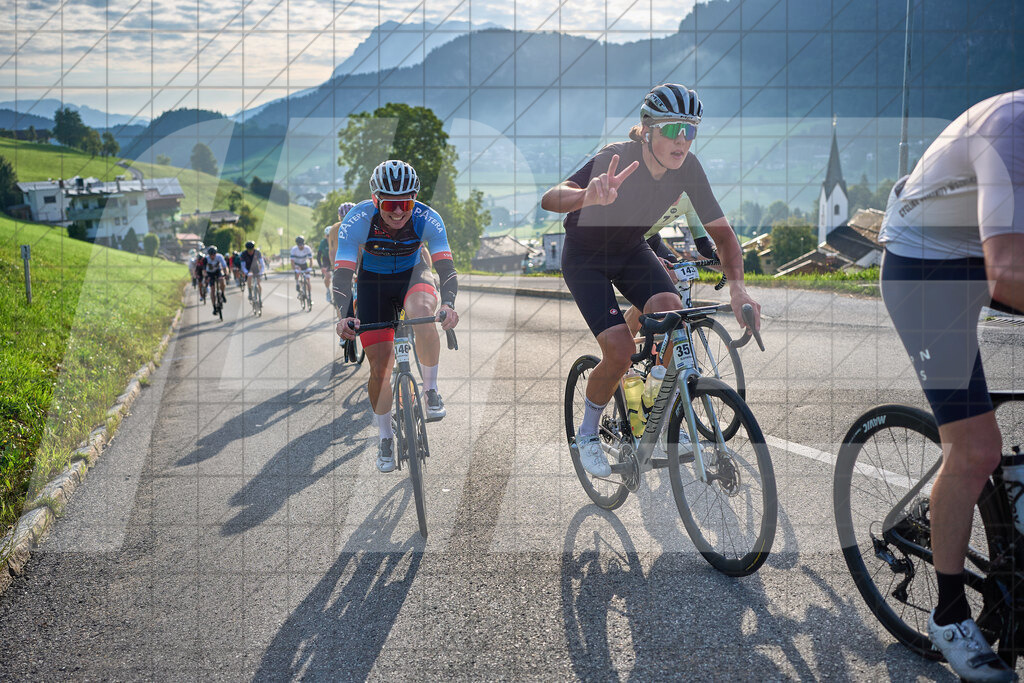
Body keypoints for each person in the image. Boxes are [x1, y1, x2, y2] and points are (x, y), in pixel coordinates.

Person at [540, 83, 759, 477]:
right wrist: (586, 196)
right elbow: (551, 198)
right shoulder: (616, 156)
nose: (683, 140)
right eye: (674, 129)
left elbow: (723, 236)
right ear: (648, 128)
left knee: (676, 312)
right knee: (620, 352)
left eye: (690, 131)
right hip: (585, 258)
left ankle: (655, 394)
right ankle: (587, 434)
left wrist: (740, 288)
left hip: (630, 250)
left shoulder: (688, 169)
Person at [878, 89, 1023, 683]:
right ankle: (950, 614)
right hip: (926, 267)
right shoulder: (1011, 125)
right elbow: (1008, 270)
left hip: (983, 253)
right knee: (976, 450)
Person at [334, 160, 460, 473]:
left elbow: (446, 267)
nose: (399, 212)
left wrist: (450, 304)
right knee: (380, 368)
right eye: (391, 204)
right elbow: (343, 274)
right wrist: (344, 315)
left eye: (406, 202)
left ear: (414, 199)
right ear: (376, 200)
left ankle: (430, 390)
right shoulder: (358, 219)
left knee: (421, 313)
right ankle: (385, 436)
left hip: (414, 274)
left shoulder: (427, 217)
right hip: (374, 285)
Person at [203, 245, 228, 309]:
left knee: (222, 280)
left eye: (214, 254)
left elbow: (224, 266)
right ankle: (214, 306)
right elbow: (204, 270)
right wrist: (206, 277)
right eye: (211, 255)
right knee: (212, 290)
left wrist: (226, 273)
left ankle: (222, 293)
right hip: (210, 273)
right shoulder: (206, 259)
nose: (212, 256)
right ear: (209, 255)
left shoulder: (219, 256)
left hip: (217, 271)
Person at [290, 235, 315, 301]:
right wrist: (294, 268)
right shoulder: (294, 250)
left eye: (302, 245)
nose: (301, 247)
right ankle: (297, 283)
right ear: (297, 245)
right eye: (299, 245)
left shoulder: (307, 248)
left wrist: (310, 268)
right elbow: (292, 261)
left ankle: (309, 296)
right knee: (297, 273)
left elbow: (311, 260)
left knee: (308, 280)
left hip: (304, 264)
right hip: (297, 264)